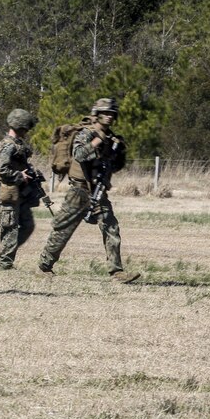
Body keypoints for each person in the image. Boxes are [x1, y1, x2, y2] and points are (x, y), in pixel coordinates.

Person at [38, 98, 140, 283]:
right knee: (63, 229)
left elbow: (114, 166)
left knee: (111, 227)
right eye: (105, 113)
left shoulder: (111, 139)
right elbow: (78, 154)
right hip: (79, 191)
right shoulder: (87, 133)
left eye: (112, 113)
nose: (109, 117)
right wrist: (96, 143)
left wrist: (117, 153)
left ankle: (116, 272)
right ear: (97, 114)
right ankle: (44, 266)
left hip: (99, 191)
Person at [0, 108, 39, 270]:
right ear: (21, 127)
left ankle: (3, 253)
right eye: (26, 128)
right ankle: (5, 263)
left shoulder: (17, 145)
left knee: (28, 225)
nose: (27, 131)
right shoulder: (8, 145)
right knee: (10, 228)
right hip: (8, 192)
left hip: (19, 193)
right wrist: (19, 176)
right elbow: (0, 168)